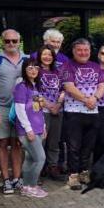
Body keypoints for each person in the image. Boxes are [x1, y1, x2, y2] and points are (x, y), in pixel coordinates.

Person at [61, 38, 104, 190]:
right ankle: (73, 175)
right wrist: (86, 99)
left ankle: (83, 172)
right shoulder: (67, 66)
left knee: (88, 146)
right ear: (74, 51)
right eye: (79, 50)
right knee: (74, 146)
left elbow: (101, 85)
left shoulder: (95, 66)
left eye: (86, 50)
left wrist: (95, 98)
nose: (83, 53)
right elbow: (69, 87)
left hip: (93, 111)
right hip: (74, 112)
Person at [0, 29, 27, 195]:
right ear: (2, 41)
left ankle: (17, 178)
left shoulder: (28, 59)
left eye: (14, 41)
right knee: (3, 143)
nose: (11, 44)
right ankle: (6, 180)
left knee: (18, 144)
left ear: (19, 41)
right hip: (3, 108)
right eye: (7, 41)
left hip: (22, 109)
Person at [13, 58, 48, 198]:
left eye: (36, 68)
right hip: (28, 130)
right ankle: (32, 186)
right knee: (40, 158)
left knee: (30, 159)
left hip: (38, 128)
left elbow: (39, 108)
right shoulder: (21, 87)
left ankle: (26, 186)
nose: (33, 70)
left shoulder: (36, 86)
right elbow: (19, 110)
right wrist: (28, 129)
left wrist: (43, 126)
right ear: (24, 70)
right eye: (30, 68)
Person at [37, 44, 65, 181]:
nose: (47, 57)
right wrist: (49, 105)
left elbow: (63, 90)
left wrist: (58, 105)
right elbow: (33, 92)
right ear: (40, 56)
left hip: (57, 111)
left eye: (50, 55)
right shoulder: (35, 71)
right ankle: (39, 167)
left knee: (55, 141)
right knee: (41, 141)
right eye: (44, 54)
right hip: (41, 111)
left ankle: (52, 166)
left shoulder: (58, 72)